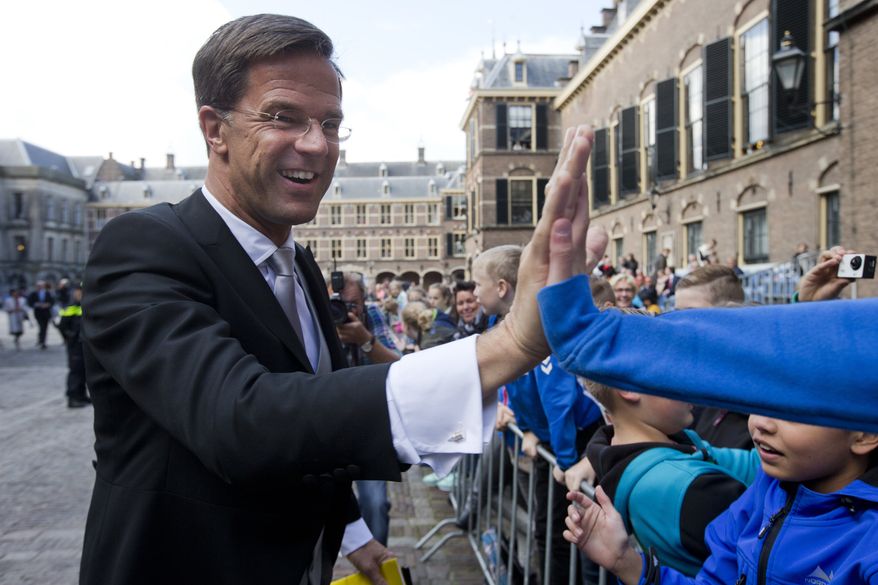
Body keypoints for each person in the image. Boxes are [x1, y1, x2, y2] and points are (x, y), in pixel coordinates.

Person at [79, 13, 602, 584]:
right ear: (214, 129)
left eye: (330, 123)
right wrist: (508, 346)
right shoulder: (143, 246)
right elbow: (240, 421)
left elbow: (309, 431)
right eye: (283, 117)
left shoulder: (299, 263)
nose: (316, 144)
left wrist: (353, 533)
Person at [564, 412, 878, 584]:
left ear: (864, 434)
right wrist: (629, 564)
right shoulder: (766, 490)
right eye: (762, 401)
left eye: (793, 412)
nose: (760, 422)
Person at [581, 373, 757, 575]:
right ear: (628, 388)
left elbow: (749, 465)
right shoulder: (691, 488)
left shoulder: (651, 451)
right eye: (673, 367)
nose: (691, 380)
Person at [334, 272, 400, 546]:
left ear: (364, 301)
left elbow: (400, 366)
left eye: (353, 304)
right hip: (331, 429)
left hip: (368, 430)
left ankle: (378, 565)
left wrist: (365, 340)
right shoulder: (317, 317)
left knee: (375, 504)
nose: (347, 312)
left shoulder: (372, 316)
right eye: (339, 305)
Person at [674, 265, 752, 449]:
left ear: (730, 313)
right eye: (677, 313)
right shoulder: (686, 370)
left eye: (692, 313)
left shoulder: (750, 379)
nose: (679, 323)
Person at [58, 285, 91, 408]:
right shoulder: (71, 307)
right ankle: (72, 398)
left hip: (83, 344)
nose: (79, 294)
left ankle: (81, 395)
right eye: (78, 292)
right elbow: (62, 326)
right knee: (76, 371)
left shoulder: (86, 305)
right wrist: (70, 337)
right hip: (75, 345)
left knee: (83, 370)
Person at [26, 280, 53, 349]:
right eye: (39, 286)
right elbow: (30, 302)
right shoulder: (34, 293)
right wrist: (36, 304)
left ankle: (42, 341)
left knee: (45, 327)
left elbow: (52, 301)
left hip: (46, 313)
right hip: (38, 313)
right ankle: (42, 341)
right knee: (42, 327)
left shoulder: (47, 293)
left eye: (41, 286)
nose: (40, 287)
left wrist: (48, 304)